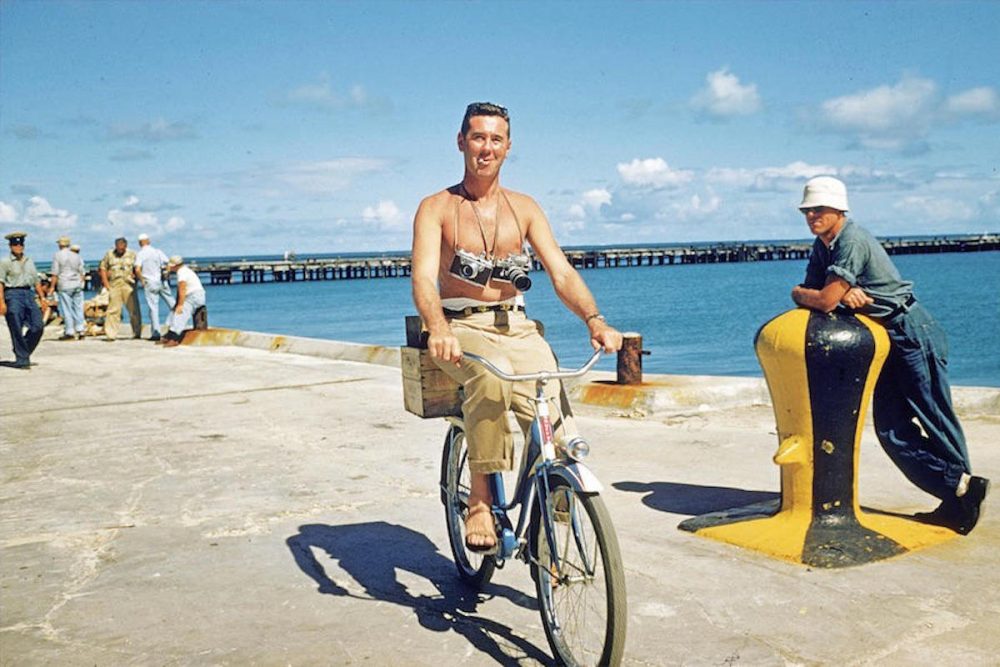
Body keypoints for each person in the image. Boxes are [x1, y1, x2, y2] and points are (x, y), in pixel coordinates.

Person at [411, 102, 623, 551]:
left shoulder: (524, 208)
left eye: (495, 139)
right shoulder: (436, 207)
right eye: (477, 137)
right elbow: (423, 278)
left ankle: (556, 494)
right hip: (463, 325)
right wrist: (438, 327)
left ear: (508, 147)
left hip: (519, 325)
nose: (485, 149)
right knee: (490, 378)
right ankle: (481, 502)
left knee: (554, 414)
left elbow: (561, 273)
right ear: (460, 142)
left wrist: (594, 318)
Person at [790, 175, 989, 535]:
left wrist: (805, 293)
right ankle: (959, 488)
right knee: (890, 429)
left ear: (839, 209)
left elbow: (822, 299)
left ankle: (959, 503)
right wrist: (832, 294)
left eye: (819, 209)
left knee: (936, 419)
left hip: (912, 332)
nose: (811, 215)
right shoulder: (823, 245)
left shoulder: (851, 240)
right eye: (807, 210)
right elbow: (822, 292)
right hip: (886, 338)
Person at [0, 232, 46, 369]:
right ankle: (22, 358)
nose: (18, 247)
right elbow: (0, 282)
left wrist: (43, 298)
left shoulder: (29, 260)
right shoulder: (5, 262)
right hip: (12, 294)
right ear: (10, 246)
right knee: (16, 327)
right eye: (15, 244)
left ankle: (22, 350)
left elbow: (36, 281)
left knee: (38, 326)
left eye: (20, 244)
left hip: (28, 293)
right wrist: (1, 302)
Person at [99, 236, 142, 341]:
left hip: (129, 284)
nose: (120, 250)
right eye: (118, 248)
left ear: (126, 246)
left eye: (122, 248)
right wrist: (106, 284)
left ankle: (136, 332)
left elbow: (139, 267)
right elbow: (103, 268)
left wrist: (136, 276)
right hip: (114, 284)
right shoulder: (109, 254)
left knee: (133, 310)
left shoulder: (133, 254)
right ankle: (111, 334)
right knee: (113, 310)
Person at [134, 232, 174, 341]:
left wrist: (142, 280)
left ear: (140, 243)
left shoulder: (141, 254)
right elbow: (169, 263)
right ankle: (175, 326)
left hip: (150, 282)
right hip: (162, 280)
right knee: (172, 304)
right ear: (149, 241)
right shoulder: (157, 251)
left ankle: (156, 333)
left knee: (153, 308)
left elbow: (137, 269)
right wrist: (167, 273)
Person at [161, 255, 206, 347]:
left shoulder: (182, 273)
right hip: (192, 295)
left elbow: (182, 289)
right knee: (174, 311)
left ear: (174, 266)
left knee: (181, 312)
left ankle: (175, 338)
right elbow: (180, 291)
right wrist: (177, 304)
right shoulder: (183, 271)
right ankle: (169, 334)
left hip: (194, 296)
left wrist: (180, 305)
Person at [49, 235, 86, 340]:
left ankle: (70, 331)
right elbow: (82, 272)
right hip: (77, 284)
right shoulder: (76, 256)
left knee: (67, 308)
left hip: (64, 283)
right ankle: (80, 329)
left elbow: (55, 273)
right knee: (78, 307)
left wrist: (52, 287)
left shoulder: (57, 255)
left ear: (60, 245)